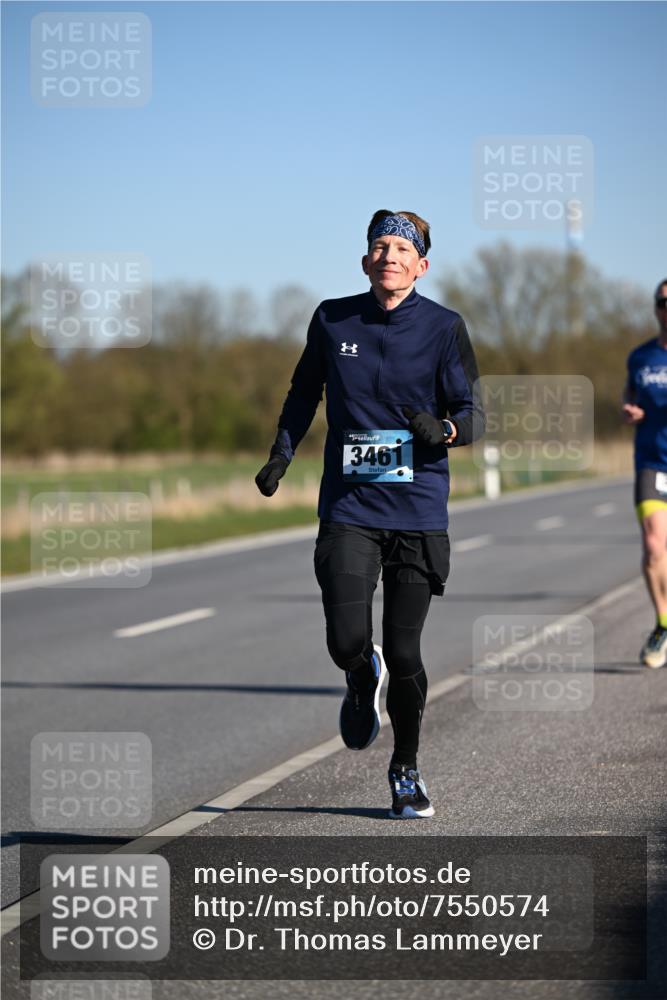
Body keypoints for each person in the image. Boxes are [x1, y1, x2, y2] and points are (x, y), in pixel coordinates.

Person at [256, 210, 485, 817]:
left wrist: (444, 429)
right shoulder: (333, 319)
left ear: (422, 265)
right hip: (350, 507)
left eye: (401, 249)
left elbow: (475, 414)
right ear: (364, 261)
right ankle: (361, 677)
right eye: (378, 246)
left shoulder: (444, 328)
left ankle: (406, 769)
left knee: (406, 652)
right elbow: (305, 391)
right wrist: (282, 454)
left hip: (416, 512)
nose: (389, 255)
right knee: (346, 640)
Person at [623, 278, 667, 668]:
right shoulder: (641, 358)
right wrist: (630, 411)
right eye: (663, 302)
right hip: (652, 462)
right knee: (655, 547)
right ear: (656, 308)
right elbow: (630, 397)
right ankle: (663, 625)